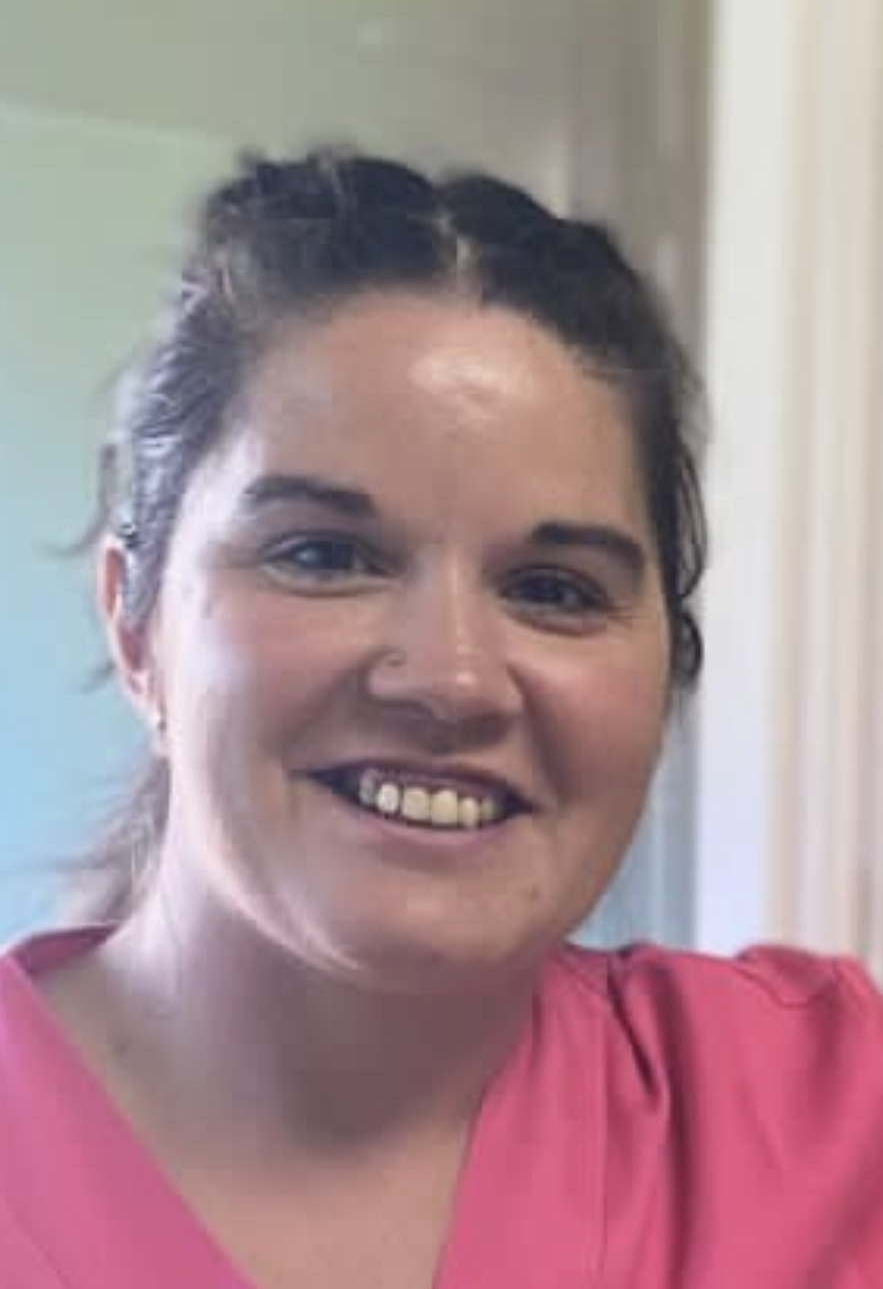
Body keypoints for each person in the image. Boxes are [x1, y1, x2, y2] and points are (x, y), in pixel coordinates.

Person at [0, 148, 880, 1289]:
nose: (452, 677)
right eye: (324, 556)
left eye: (553, 588)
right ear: (135, 625)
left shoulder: (825, 1121)